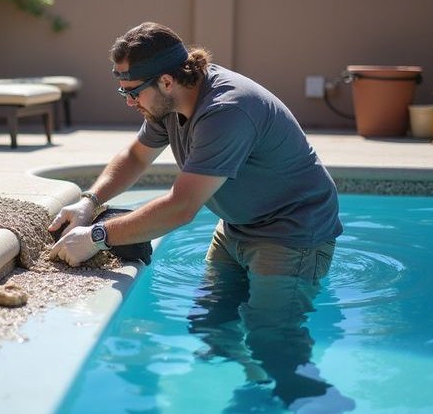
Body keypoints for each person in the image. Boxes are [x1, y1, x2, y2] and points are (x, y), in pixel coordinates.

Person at [48, 21, 349, 409]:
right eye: (122, 90)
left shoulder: (227, 110)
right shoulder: (167, 103)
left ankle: (309, 400)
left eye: (132, 92)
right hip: (239, 226)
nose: (128, 101)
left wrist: (97, 236)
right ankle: (257, 381)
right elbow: (136, 156)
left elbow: (181, 207)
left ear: (168, 81)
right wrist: (89, 201)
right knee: (210, 322)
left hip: (292, 232)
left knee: (272, 337)